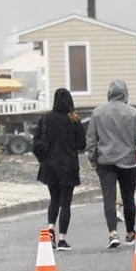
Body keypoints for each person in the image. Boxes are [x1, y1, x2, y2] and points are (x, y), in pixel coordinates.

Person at [86, 78, 136, 247]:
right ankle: (130, 232)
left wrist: (93, 158)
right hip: (128, 161)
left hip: (105, 161)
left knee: (109, 198)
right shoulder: (133, 113)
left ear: (109, 93)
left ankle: (113, 233)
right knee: (128, 198)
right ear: (125, 93)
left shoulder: (98, 113)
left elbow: (91, 139)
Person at [31, 87, 83, 247]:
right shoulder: (73, 119)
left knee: (54, 199)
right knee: (65, 203)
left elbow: (36, 141)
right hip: (68, 165)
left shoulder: (45, 118)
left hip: (50, 166)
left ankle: (50, 228)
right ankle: (62, 239)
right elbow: (82, 144)